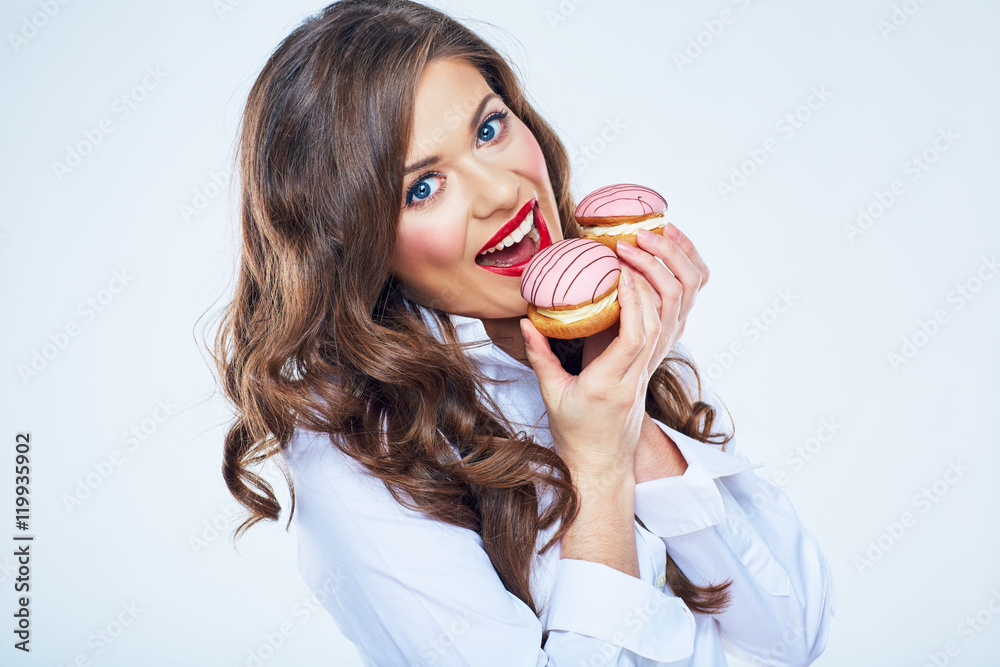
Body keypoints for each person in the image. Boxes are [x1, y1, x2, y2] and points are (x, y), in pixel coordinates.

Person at [211, 0, 835, 664]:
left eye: (488, 129)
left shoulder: (587, 324)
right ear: (353, 245)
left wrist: (628, 414)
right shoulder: (355, 462)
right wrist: (594, 468)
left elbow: (790, 636)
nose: (501, 193)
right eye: (422, 187)